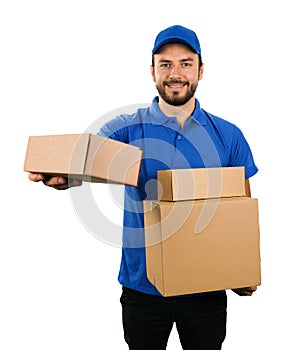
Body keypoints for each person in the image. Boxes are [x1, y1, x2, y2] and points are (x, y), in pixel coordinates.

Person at [29, 25, 258, 350]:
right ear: (152, 71)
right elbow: (88, 159)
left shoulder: (228, 135)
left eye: (185, 63)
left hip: (207, 290)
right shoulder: (126, 129)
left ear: (201, 71)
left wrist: (242, 271)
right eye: (165, 64)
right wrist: (66, 176)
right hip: (142, 290)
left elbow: (241, 209)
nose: (175, 73)